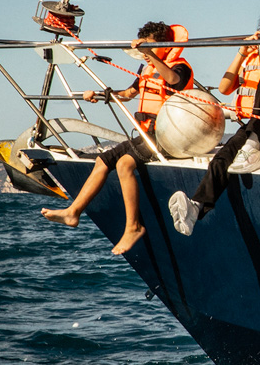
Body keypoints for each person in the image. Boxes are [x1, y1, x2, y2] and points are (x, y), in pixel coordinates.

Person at [42, 21, 194, 254]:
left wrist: (151, 55)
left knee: (124, 164)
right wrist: (100, 95)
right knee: (103, 160)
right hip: (147, 135)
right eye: (143, 48)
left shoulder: (180, 68)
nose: (144, 53)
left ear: (165, 46)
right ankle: (73, 212)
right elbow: (127, 94)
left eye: (150, 47)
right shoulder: (147, 71)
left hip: (169, 137)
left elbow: (174, 80)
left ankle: (133, 227)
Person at [168, 7, 260, 235]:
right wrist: (241, 53)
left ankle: (252, 145)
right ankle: (196, 208)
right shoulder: (251, 57)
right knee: (221, 158)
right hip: (254, 124)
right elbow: (224, 88)